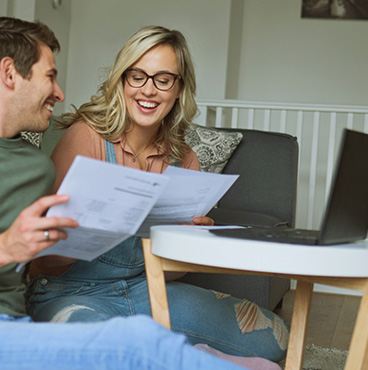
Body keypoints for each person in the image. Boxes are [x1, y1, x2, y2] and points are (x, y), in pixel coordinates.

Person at [0, 17, 243, 370]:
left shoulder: (35, 167)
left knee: (142, 345)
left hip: (12, 329)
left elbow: (43, 257)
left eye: (163, 79)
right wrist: (6, 247)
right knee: (139, 344)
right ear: (10, 74)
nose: (60, 93)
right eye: (50, 77)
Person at [27, 25, 290, 364]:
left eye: (163, 79)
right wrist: (89, 230)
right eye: (137, 76)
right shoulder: (86, 138)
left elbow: (170, 272)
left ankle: (163, 350)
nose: (148, 90)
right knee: (98, 352)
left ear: (179, 89)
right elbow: (42, 261)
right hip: (73, 292)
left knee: (276, 338)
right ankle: (167, 352)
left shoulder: (184, 158)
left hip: (147, 289)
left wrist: (189, 243)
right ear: (122, 80)